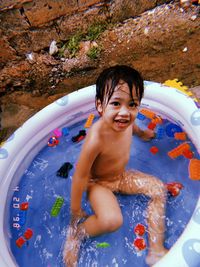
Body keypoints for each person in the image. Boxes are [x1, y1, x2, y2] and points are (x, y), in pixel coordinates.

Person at [63, 65, 168, 266]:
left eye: (132, 104)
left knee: (158, 189)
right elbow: (81, 176)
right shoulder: (96, 137)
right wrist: (75, 210)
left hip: (120, 177)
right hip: (98, 184)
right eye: (116, 103)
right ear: (100, 106)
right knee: (112, 221)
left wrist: (144, 134)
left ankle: (156, 250)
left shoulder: (126, 123)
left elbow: (133, 128)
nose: (124, 113)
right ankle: (78, 233)